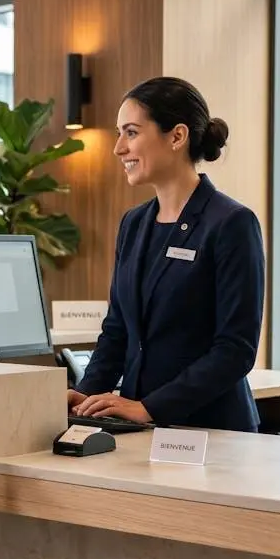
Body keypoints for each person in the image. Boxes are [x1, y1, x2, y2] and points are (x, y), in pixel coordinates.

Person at [67, 77, 265, 432]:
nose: (118, 148)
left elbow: (235, 350)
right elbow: (117, 332)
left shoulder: (232, 223)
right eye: (119, 134)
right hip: (137, 428)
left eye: (130, 132)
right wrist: (86, 393)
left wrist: (150, 407)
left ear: (176, 136)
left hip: (209, 430)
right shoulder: (134, 223)